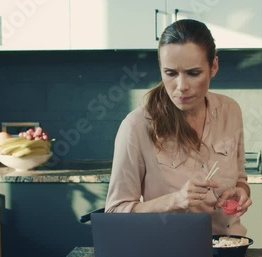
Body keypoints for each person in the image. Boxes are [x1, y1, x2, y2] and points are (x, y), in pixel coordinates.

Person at [105, 19, 252, 236]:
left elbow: (240, 178)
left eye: (193, 73)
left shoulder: (230, 110)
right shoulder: (136, 127)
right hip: (171, 254)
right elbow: (116, 213)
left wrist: (241, 191)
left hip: (232, 248)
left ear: (214, 67)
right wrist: (177, 200)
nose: (181, 87)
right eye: (171, 73)